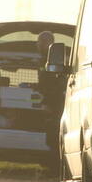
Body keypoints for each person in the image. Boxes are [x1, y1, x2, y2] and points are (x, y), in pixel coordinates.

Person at [34, 30, 66, 172]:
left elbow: (54, 84)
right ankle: (52, 167)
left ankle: (55, 169)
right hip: (50, 101)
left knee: (54, 136)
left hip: (55, 103)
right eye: (38, 42)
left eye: (41, 41)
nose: (38, 44)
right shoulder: (42, 59)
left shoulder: (54, 60)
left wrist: (47, 102)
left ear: (49, 43)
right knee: (50, 136)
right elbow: (44, 82)